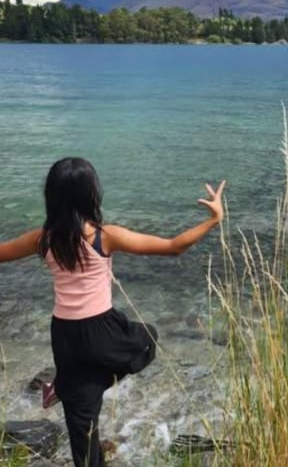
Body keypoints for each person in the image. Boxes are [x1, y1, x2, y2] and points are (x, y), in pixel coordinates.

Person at [0, 157, 225, 467]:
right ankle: (68, 387)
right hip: (101, 329)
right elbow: (173, 246)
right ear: (90, 195)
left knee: (83, 430)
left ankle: (67, 388)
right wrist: (213, 219)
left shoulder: (42, 239)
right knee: (147, 338)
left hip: (64, 334)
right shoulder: (104, 236)